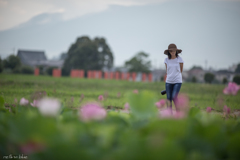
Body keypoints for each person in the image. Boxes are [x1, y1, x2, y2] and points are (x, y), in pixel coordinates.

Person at [164, 43, 184, 113]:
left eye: (174, 50)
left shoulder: (179, 59)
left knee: (174, 97)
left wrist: (175, 75)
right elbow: (167, 71)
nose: (172, 52)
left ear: (176, 51)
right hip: (168, 81)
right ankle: (169, 114)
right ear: (169, 52)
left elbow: (181, 70)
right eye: (171, 51)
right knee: (168, 99)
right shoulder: (166, 60)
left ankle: (178, 113)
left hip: (177, 81)